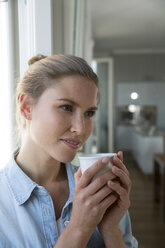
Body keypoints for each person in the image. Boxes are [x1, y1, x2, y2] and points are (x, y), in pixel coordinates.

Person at [0, 54, 138, 248]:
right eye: (66, 107)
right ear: (26, 107)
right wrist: (79, 228)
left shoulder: (98, 190)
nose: (81, 129)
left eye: (89, 113)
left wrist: (111, 229)